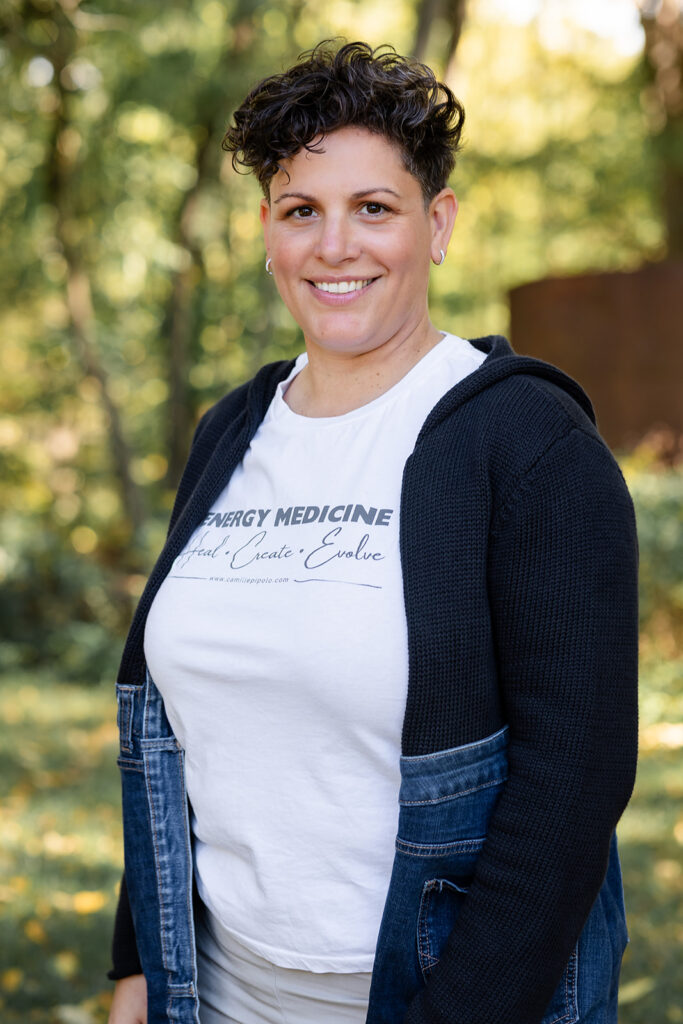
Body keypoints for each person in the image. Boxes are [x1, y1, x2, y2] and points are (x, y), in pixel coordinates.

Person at [107, 40, 638, 1024]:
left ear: (435, 225)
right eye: (300, 209)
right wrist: (138, 961)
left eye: (373, 208)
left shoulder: (525, 442)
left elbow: (571, 786)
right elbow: (173, 733)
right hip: (213, 994)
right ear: (266, 231)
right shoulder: (231, 429)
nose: (334, 245)